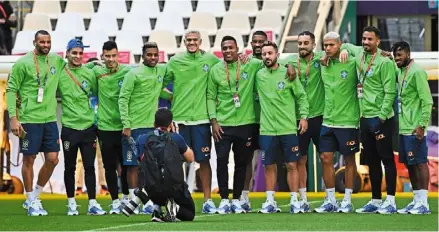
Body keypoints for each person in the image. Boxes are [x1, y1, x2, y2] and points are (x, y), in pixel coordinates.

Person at [6, 30, 65, 216]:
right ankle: (30, 199)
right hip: (29, 119)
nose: (46, 45)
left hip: (49, 120)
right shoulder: (22, 63)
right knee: (29, 159)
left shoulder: (56, 60)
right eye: (42, 42)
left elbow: (75, 64)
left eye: (48, 42)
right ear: (34, 42)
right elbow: (10, 90)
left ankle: (35, 196)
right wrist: (14, 118)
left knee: (53, 159)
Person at [340, 26, 398, 214]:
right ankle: (375, 200)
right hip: (364, 118)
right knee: (371, 161)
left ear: (378, 41)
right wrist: (342, 50)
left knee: (386, 159)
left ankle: (391, 201)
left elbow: (390, 93)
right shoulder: (359, 54)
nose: (365, 42)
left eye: (370, 39)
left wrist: (380, 118)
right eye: (364, 39)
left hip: (381, 119)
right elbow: (346, 45)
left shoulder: (385, 62)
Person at [163, 30, 221, 213]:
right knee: (177, 162)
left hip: (202, 119)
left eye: (195, 40)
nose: (192, 43)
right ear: (184, 42)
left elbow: (225, 73)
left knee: (203, 161)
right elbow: (159, 84)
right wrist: (171, 97)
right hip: (180, 119)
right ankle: (178, 199)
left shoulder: (211, 60)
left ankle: (207, 201)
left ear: (201, 41)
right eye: (188, 40)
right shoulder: (175, 61)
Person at [207, 36, 262, 214]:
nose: (228, 51)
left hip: (245, 123)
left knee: (241, 163)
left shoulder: (250, 64)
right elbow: (210, 96)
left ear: (237, 48)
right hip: (222, 125)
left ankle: (237, 199)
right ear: (221, 50)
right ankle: (224, 198)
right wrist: (213, 121)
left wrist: (290, 68)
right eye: (224, 48)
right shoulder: (215, 70)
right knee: (222, 162)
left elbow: (271, 62)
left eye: (231, 48)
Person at [256, 41, 309, 213]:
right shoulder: (259, 75)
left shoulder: (288, 73)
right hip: (267, 130)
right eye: (264, 54)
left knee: (292, 165)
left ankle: (294, 200)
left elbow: (301, 97)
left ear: (277, 55)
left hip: (287, 128)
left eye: (270, 53)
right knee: (269, 166)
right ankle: (270, 201)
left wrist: (303, 117)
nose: (267, 57)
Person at [118, 42, 170, 214]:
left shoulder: (160, 71)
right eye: (150, 55)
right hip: (134, 127)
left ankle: (146, 200)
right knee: (132, 166)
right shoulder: (133, 74)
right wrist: (126, 124)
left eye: (156, 55)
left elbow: (157, 91)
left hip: (151, 128)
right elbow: (123, 99)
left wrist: (173, 96)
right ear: (143, 55)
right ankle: (134, 202)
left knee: (150, 167)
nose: (153, 58)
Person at [58, 39, 106, 216]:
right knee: (69, 167)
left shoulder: (89, 73)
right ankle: (71, 203)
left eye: (80, 53)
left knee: (90, 167)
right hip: (69, 128)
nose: (77, 56)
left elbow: (95, 93)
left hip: (88, 127)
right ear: (67, 53)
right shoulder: (60, 73)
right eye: (74, 53)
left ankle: (92, 202)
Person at [122, 108, 196, 222]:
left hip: (151, 190)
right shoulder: (175, 137)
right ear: (170, 124)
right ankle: (173, 207)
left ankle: (157, 210)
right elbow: (191, 158)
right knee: (190, 213)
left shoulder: (142, 138)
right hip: (174, 188)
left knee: (152, 176)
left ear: (154, 123)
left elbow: (139, 162)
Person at [314, 32, 359, 213]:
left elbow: (366, 50)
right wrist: (324, 54)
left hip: (347, 120)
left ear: (340, 44)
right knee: (325, 158)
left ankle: (347, 200)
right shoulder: (323, 60)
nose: (328, 48)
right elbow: (304, 53)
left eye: (332, 45)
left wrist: (347, 48)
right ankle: (331, 200)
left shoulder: (351, 58)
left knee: (349, 160)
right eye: (325, 45)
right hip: (328, 119)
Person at [280, 31, 325, 212]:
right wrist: (288, 67)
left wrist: (383, 53)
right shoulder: (289, 60)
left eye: (306, 43)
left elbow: (345, 48)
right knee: (300, 159)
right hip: (298, 118)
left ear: (314, 45)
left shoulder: (322, 57)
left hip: (320, 115)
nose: (302, 46)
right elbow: (268, 61)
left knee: (325, 157)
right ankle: (303, 199)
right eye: (300, 43)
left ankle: (330, 198)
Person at [392, 41, 433, 214]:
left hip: (415, 128)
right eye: (395, 56)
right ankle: (416, 200)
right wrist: (387, 55)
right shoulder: (400, 70)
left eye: (400, 55)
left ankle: (423, 203)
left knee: (420, 164)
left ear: (408, 54)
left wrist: (422, 125)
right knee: (410, 164)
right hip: (403, 127)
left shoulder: (417, 72)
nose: (397, 59)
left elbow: (427, 101)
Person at [91, 41, 131, 214]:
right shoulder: (97, 72)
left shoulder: (127, 72)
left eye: (113, 55)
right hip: (105, 127)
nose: (110, 59)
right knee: (109, 167)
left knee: (126, 166)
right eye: (107, 56)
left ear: (118, 55)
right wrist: (90, 63)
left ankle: (127, 198)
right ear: (102, 56)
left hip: (124, 127)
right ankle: (115, 201)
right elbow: (78, 71)